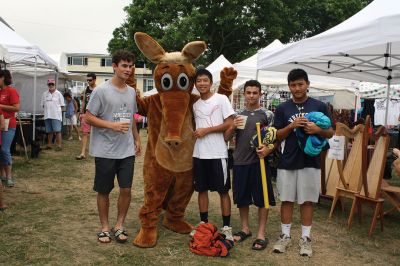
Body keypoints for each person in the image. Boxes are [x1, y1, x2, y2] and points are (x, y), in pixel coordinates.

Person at [272, 69, 333, 257]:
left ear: (307, 84)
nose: (297, 88)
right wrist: (291, 126)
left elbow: (330, 132)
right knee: (287, 199)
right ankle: (285, 236)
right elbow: (276, 135)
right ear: (289, 86)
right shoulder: (283, 108)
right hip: (288, 160)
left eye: (300, 84)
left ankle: (306, 239)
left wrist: (317, 129)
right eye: (293, 85)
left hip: (310, 161)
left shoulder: (320, 105)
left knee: (307, 201)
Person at [84, 50, 141, 244]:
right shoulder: (101, 90)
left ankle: (119, 225)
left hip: (126, 150)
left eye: (131, 66)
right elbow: (88, 117)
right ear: (114, 67)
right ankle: (105, 228)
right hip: (105, 150)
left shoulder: (132, 91)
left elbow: (132, 117)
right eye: (124, 65)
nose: (128, 69)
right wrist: (112, 125)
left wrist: (137, 138)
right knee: (104, 190)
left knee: (126, 189)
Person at [224, 80, 276, 251]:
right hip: (240, 161)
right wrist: (232, 127)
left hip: (259, 162)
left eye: (255, 93)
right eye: (249, 92)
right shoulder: (238, 114)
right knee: (242, 198)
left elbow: (274, 138)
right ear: (244, 94)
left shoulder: (267, 114)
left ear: (260, 94)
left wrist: (267, 148)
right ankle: (245, 228)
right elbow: (227, 137)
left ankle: (261, 234)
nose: (252, 96)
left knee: (263, 199)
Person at [192, 68, 235, 240]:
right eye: (199, 81)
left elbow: (230, 122)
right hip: (199, 154)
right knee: (201, 190)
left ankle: (226, 227)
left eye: (205, 80)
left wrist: (207, 131)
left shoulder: (221, 98)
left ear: (211, 82)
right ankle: (203, 224)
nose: (202, 83)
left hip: (218, 153)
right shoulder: (195, 105)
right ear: (195, 84)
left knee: (223, 191)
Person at [0, 70, 20, 187]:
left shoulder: (11, 91)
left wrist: (1, 106)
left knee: (5, 150)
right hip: (1, 124)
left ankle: (9, 177)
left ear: (2, 78)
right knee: (0, 151)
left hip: (9, 124)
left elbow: (16, 108)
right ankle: (2, 175)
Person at [76, 73, 96, 160]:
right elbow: (84, 101)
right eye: (87, 80)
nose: (88, 82)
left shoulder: (98, 89)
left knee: (96, 134)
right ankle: (83, 153)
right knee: (85, 133)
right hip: (86, 114)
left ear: (95, 79)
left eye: (90, 80)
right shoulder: (86, 89)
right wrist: (81, 112)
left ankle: (96, 152)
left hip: (96, 115)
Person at [41, 78, 64, 151]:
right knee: (49, 131)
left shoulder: (59, 93)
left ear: (55, 85)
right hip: (47, 115)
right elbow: (42, 104)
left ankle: (59, 145)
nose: (51, 85)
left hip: (56, 116)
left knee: (57, 131)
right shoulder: (44, 94)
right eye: (49, 84)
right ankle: (49, 145)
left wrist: (58, 112)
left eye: (52, 84)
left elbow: (62, 105)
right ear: (47, 85)